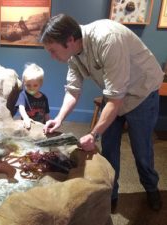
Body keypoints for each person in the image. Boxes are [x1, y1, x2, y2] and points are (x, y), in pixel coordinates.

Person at [39, 14, 164, 212]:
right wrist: (59, 119)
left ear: (70, 40)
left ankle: (151, 189)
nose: (52, 57)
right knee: (108, 151)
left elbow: (116, 100)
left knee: (142, 151)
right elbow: (73, 90)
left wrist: (93, 133)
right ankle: (110, 194)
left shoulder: (108, 38)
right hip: (115, 92)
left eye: (53, 51)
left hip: (142, 92)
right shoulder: (73, 53)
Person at [15, 63, 50, 129]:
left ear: (40, 84)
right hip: (28, 126)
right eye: (28, 85)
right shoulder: (23, 95)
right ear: (23, 83)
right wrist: (26, 118)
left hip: (41, 127)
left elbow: (46, 113)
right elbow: (21, 108)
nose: (32, 88)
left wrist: (48, 123)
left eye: (35, 85)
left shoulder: (44, 97)